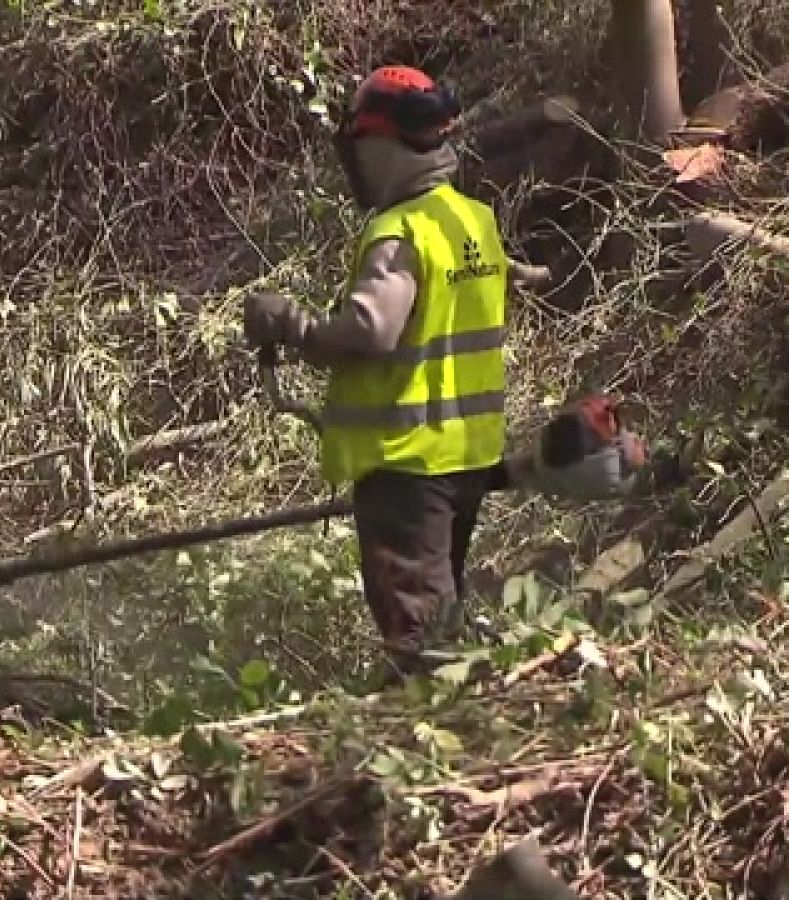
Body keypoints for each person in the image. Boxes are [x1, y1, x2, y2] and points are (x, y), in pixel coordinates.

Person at [243, 65, 645, 681]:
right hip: (464, 461)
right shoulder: (472, 222)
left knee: (424, 643)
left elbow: (373, 330)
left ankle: (449, 739)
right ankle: (447, 712)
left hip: (406, 465)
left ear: (380, 145)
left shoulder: (398, 233)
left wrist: (291, 324)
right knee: (438, 616)